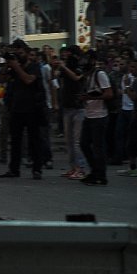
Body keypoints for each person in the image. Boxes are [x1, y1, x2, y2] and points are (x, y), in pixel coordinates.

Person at [0, 39, 47, 180]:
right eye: (16, 53)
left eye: (20, 53)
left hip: (32, 109)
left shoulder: (34, 67)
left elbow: (28, 80)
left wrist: (16, 67)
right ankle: (14, 169)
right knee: (15, 141)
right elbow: (0, 79)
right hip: (16, 109)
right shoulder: (14, 68)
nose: (18, 56)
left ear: (26, 53)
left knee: (34, 140)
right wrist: (7, 64)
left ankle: (37, 169)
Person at [51, 47, 88, 179]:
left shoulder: (81, 66)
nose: (65, 57)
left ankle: (81, 168)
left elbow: (77, 78)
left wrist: (64, 67)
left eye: (68, 54)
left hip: (79, 108)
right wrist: (54, 67)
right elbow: (55, 80)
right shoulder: (64, 68)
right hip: (67, 107)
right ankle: (73, 167)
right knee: (69, 141)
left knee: (77, 141)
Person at [78, 49, 113, 186]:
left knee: (98, 147)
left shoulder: (100, 74)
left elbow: (109, 94)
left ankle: (101, 176)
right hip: (89, 115)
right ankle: (95, 171)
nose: (83, 62)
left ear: (92, 60)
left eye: (86, 59)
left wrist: (91, 97)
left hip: (99, 116)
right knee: (84, 144)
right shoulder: (88, 75)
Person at [118, 58, 137, 176]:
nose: (131, 69)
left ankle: (133, 168)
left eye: (133, 67)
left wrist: (127, 86)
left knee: (133, 142)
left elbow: (133, 97)